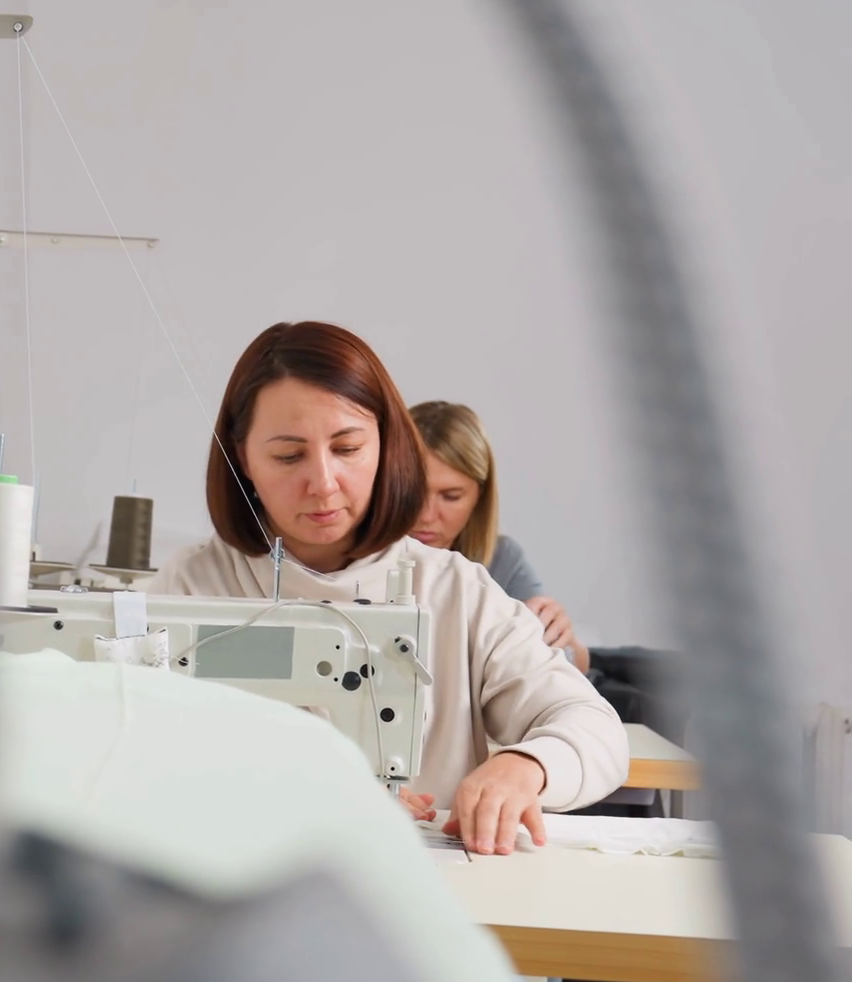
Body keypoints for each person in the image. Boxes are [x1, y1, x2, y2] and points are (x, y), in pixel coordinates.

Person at [148, 322, 626, 855]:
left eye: (348, 448)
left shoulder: (456, 590)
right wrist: (294, 792)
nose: (323, 483)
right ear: (243, 459)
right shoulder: (191, 587)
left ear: (384, 445)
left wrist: (526, 765)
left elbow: (594, 728)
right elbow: (135, 756)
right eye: (288, 456)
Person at [409, 400, 589, 674]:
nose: (426, 515)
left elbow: (570, 665)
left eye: (451, 496)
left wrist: (565, 639)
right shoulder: (355, 558)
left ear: (479, 497)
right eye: (412, 491)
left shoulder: (502, 559)